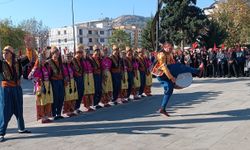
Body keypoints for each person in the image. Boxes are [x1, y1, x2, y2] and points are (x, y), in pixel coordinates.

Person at [152, 42, 203, 117]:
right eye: (169, 48)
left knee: (169, 89)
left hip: (166, 73)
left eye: (171, 48)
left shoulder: (169, 54)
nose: (171, 50)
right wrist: (172, 78)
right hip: (161, 74)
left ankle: (162, 108)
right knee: (179, 66)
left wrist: (176, 77)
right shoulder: (161, 55)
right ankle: (197, 71)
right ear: (164, 47)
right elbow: (164, 67)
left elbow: (172, 64)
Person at [0, 45, 31, 142]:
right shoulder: (1, 63)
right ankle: (1, 133)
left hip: (17, 88)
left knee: (19, 108)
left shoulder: (17, 62)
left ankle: (21, 128)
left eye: (7, 53)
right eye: (3, 53)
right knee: (5, 110)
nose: (4, 54)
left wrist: (28, 47)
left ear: (12, 54)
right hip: (6, 89)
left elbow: (29, 59)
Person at [28, 51, 53, 123]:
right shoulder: (36, 68)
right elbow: (29, 76)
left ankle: (46, 116)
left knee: (48, 101)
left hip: (47, 86)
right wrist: (37, 80)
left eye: (44, 59)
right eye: (42, 59)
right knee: (42, 102)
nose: (43, 61)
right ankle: (43, 118)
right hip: (41, 86)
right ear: (39, 59)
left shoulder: (46, 67)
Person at [46, 46, 65, 120]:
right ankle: (54, 114)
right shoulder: (49, 62)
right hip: (54, 82)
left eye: (57, 53)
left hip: (60, 81)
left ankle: (59, 113)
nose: (56, 54)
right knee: (55, 98)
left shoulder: (60, 61)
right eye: (55, 53)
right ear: (52, 53)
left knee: (61, 97)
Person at [62, 53, 78, 117]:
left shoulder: (71, 65)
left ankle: (72, 110)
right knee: (67, 97)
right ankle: (67, 111)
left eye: (70, 58)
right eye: (68, 57)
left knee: (73, 96)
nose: (69, 59)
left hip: (72, 81)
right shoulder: (63, 65)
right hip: (67, 82)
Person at [71, 45, 84, 114]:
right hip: (76, 78)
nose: (81, 54)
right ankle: (74, 108)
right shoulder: (73, 60)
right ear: (77, 53)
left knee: (81, 92)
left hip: (81, 77)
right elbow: (72, 70)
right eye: (80, 52)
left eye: (81, 52)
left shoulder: (81, 60)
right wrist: (77, 74)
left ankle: (77, 107)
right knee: (76, 93)